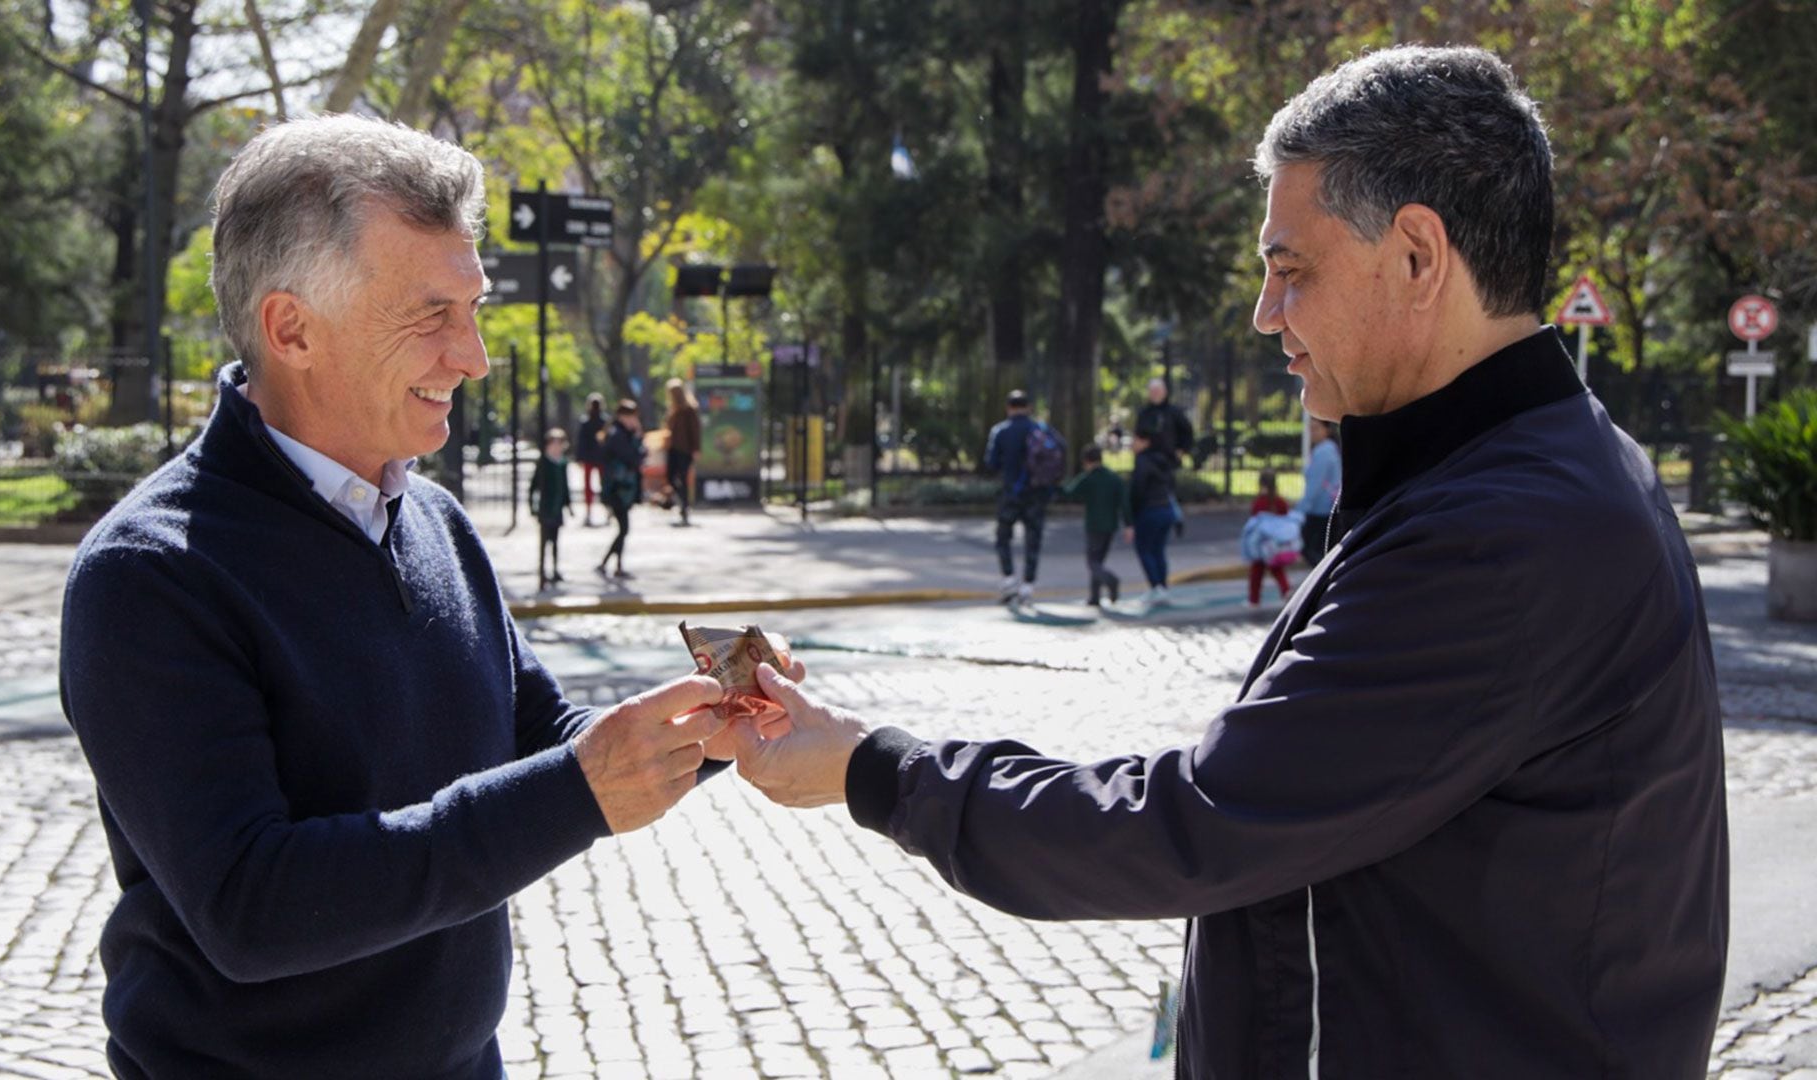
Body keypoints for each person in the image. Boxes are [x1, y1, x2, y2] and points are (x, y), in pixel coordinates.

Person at [713, 46, 1726, 1078]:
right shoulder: (1535, 467)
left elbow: (1199, 823)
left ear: (1419, 257)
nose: (1265, 314)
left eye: (1293, 270)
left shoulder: (1504, 533)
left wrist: (874, 769)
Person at [59, 115, 732, 1079]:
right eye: (431, 316)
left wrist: (711, 724)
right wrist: (583, 791)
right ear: (291, 327)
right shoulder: (149, 574)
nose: (475, 356)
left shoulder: (435, 521)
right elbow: (252, 907)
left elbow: (541, 732)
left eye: (475, 309)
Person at [983, 389, 1062, 606]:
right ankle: (1028, 586)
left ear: (1008, 408)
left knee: (1003, 537)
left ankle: (1009, 579)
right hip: (1036, 494)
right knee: (1033, 539)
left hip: (1011, 492)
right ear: (1028, 408)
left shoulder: (1000, 431)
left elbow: (990, 463)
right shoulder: (1040, 429)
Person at [1058, 444, 1130, 607]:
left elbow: (1069, 493)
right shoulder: (1113, 478)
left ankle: (1110, 580)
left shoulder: (1088, 478)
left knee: (1092, 562)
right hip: (1110, 525)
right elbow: (1124, 503)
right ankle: (1095, 596)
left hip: (1094, 524)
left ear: (1086, 461)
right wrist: (1128, 524)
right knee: (1099, 560)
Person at [1127, 433, 1182, 605]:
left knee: (1145, 549)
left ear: (1145, 442)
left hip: (1149, 510)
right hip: (1166, 509)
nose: (1132, 444)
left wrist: (1131, 515)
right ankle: (1162, 587)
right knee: (1158, 549)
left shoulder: (1142, 461)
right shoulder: (1162, 460)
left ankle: (1156, 587)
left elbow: (1138, 488)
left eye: (1135, 440)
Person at [598, 399, 644, 580]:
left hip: (623, 488)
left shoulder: (622, 433)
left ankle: (612, 564)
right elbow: (632, 458)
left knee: (623, 529)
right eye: (631, 417)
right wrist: (638, 440)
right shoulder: (618, 435)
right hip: (617, 489)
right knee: (624, 528)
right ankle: (610, 564)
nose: (634, 421)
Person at [1242, 469, 1297, 606]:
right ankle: (1285, 590)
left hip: (1262, 544)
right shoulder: (1281, 502)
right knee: (1277, 569)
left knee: (1257, 571)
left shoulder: (1259, 502)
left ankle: (1253, 600)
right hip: (1276, 545)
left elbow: (1254, 521)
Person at [529, 427, 573, 588]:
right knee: (544, 542)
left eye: (559, 443)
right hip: (545, 508)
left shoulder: (562, 462)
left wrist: (569, 505)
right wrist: (533, 506)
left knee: (555, 541)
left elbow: (565, 486)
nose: (556, 447)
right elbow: (533, 486)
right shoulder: (543, 462)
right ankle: (542, 573)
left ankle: (555, 570)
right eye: (553, 443)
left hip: (558, 508)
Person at [1300, 416, 1340, 563]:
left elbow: (1315, 485)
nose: (1312, 432)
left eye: (1316, 428)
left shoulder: (1324, 452)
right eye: (1310, 429)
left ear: (1327, 430)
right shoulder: (1329, 449)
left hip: (1320, 510)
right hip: (1326, 508)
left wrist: (1301, 510)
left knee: (1309, 549)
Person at [1133, 376, 1194, 469]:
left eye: (1157, 391)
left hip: (1169, 461)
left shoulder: (1175, 412)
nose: (1155, 394)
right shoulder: (1144, 413)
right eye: (1152, 391)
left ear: (1164, 392)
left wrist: (1182, 451)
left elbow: (1188, 433)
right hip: (1146, 460)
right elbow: (1138, 437)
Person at [664, 377, 701, 526]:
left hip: (685, 449)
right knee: (671, 477)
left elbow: (695, 430)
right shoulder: (672, 410)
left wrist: (696, 449)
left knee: (684, 478)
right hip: (672, 449)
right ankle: (681, 501)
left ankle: (685, 506)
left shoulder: (689, 409)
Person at [575, 393, 607, 525]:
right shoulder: (601, 421)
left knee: (594, 485)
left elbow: (581, 442)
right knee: (600, 485)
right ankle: (604, 509)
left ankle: (593, 510)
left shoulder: (594, 422)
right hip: (598, 457)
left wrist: (580, 458)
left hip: (594, 457)